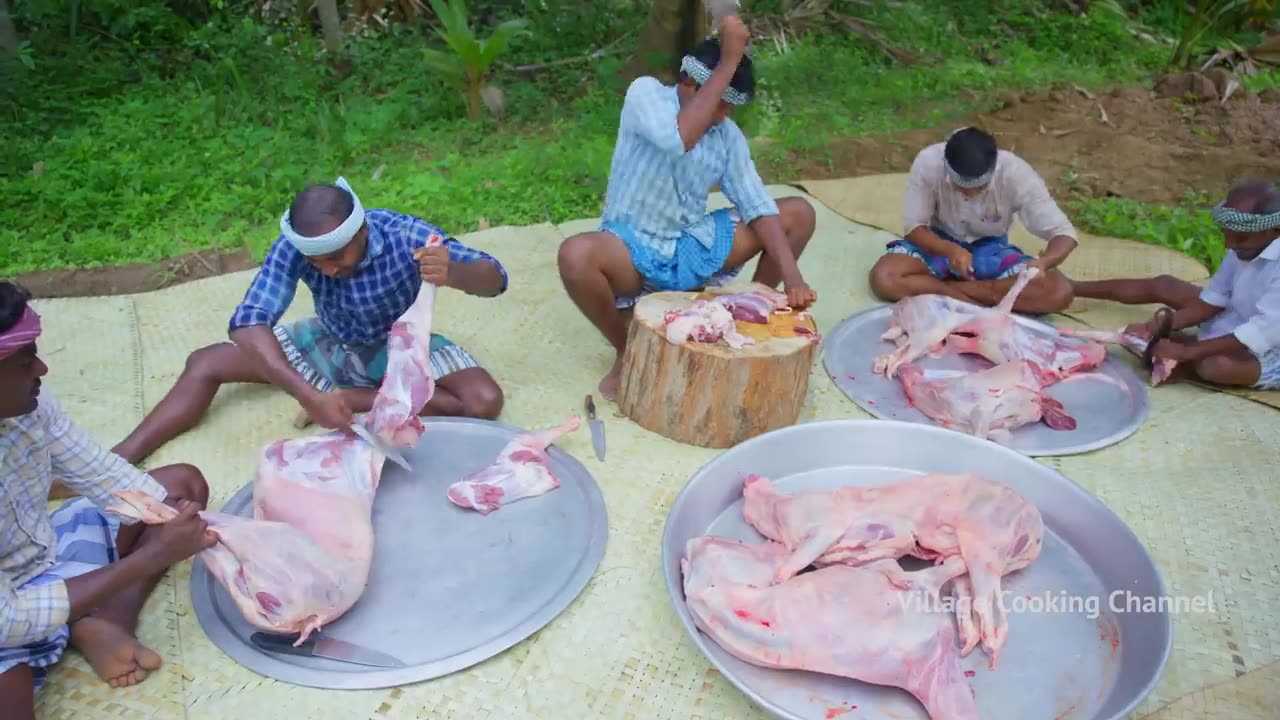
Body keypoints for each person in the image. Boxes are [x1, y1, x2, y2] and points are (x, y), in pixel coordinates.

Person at [112, 177, 509, 465]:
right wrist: (306, 394)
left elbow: (495, 279)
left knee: (483, 401)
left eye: (338, 258)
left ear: (363, 231)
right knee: (206, 363)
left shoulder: (406, 234)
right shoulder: (295, 248)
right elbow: (249, 322)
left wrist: (454, 270)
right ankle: (123, 456)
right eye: (318, 263)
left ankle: (358, 398)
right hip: (332, 342)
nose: (330, 270)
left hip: (401, 346)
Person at [557, 16, 818, 400]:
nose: (724, 116)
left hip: (692, 249)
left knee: (797, 213)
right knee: (576, 254)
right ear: (689, 84)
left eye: (730, 107)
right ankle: (628, 348)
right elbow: (676, 139)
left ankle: (744, 313)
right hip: (631, 254)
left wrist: (792, 278)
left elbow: (756, 202)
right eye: (720, 103)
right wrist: (729, 60)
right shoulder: (645, 94)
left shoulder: (725, 135)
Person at [0, 282, 216, 719]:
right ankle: (78, 622)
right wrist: (150, 558)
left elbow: (100, 472)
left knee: (180, 488)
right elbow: (8, 621)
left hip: (41, 562)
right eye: (25, 363)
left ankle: (101, 622)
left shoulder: (30, 407)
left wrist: (176, 522)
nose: (41, 369)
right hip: (7, 615)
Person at [1071, 181, 1280, 390]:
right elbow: (1216, 297)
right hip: (1241, 314)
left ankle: (1182, 364)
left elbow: (1260, 332)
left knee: (1216, 366)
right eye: (1226, 234)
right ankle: (1073, 287)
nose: (1228, 245)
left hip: (1271, 346)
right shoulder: (1243, 243)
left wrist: (1189, 352)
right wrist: (1159, 326)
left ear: (1275, 230)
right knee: (1165, 286)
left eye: (1240, 239)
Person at [869, 126, 1078, 314]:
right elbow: (914, 227)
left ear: (993, 168)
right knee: (885, 277)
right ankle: (983, 304)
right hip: (938, 244)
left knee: (1058, 291)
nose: (970, 193)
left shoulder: (1015, 173)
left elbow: (1063, 232)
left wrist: (1045, 262)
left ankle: (941, 290)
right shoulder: (928, 162)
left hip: (991, 248)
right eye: (961, 186)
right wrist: (949, 249)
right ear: (947, 166)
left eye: (979, 187)